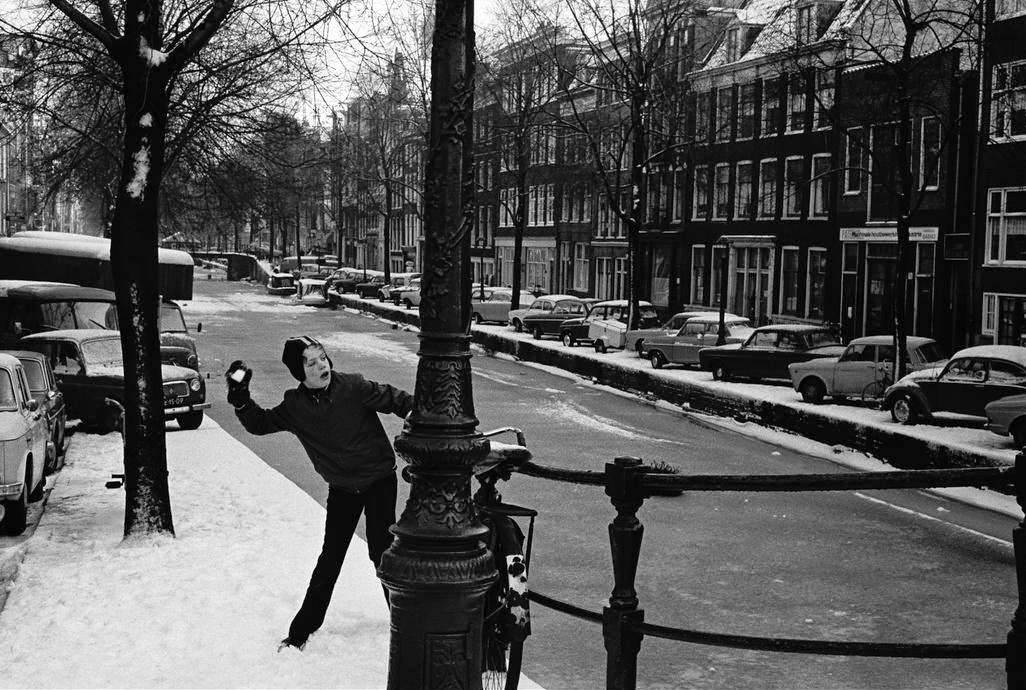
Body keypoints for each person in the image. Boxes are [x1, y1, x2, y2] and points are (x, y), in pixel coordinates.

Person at [225, 335, 414, 652]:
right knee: (331, 558)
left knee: (382, 549)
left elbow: (394, 398)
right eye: (311, 363)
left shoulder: (353, 386)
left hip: (379, 478)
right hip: (342, 487)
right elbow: (260, 423)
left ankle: (405, 621)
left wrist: (419, 411)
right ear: (300, 373)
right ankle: (300, 633)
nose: (321, 365)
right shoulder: (295, 406)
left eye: (323, 358)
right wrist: (241, 398)